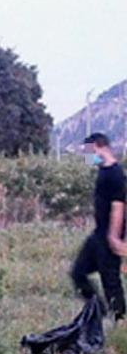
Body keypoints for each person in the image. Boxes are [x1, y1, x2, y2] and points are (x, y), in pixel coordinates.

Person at [71, 133, 127, 320]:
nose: (87, 156)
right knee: (78, 272)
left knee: (111, 281)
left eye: (88, 151)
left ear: (98, 146)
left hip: (108, 235)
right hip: (98, 234)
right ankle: (101, 313)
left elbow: (119, 206)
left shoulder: (115, 174)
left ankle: (119, 320)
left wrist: (114, 237)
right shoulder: (103, 171)